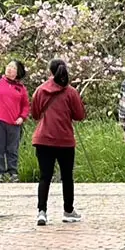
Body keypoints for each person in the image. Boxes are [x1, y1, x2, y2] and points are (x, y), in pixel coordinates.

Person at [31, 59, 86, 226]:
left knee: (44, 177)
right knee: (67, 177)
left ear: (50, 72)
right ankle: (68, 211)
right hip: (65, 141)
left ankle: (42, 212)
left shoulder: (40, 91)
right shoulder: (70, 92)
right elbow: (79, 115)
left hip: (43, 139)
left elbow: (34, 113)